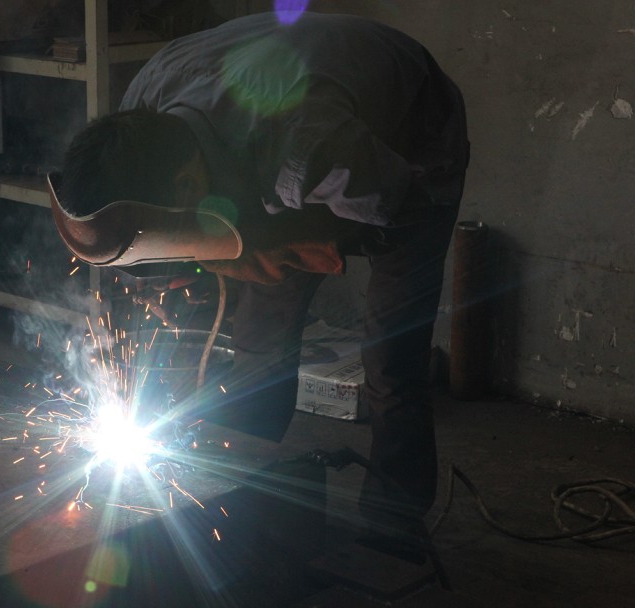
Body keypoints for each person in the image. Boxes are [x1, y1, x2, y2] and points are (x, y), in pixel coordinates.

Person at [49, 11, 469, 546]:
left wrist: (265, 247)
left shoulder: (305, 150)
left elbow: (396, 204)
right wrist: (196, 261)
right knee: (260, 343)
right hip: (289, 112)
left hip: (412, 151)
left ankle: (393, 525)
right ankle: (241, 491)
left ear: (185, 186)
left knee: (391, 359)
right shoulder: (142, 108)